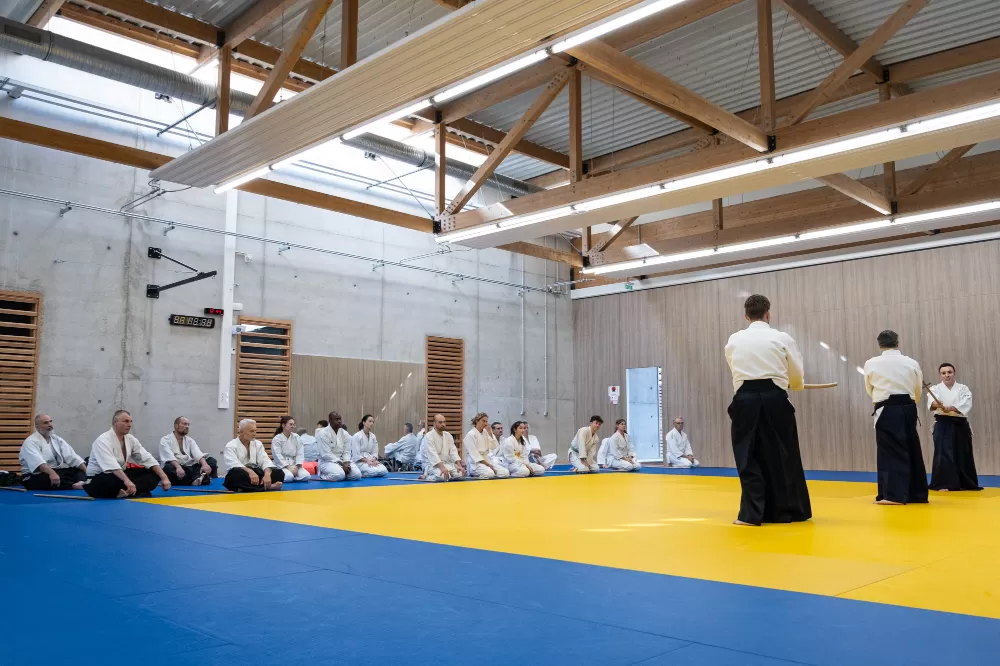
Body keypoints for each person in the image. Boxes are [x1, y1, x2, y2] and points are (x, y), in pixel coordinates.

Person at [725, 294, 811, 526]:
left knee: (748, 454)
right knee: (784, 453)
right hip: (775, 398)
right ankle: (787, 511)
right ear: (767, 314)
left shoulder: (734, 340)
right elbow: (796, 372)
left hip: (744, 399)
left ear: (746, 316)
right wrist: (796, 385)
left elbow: (734, 367)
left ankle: (751, 514)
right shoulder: (781, 338)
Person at [863, 330, 929, 505]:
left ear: (880, 345)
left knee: (891, 450)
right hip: (908, 407)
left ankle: (894, 495)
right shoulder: (911, 362)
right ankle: (917, 494)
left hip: (886, 408)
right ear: (897, 343)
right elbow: (917, 388)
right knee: (912, 446)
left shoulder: (871, 363)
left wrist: (878, 399)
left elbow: (869, 388)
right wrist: (911, 401)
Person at [85, 410, 171, 498]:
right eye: (126, 421)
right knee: (109, 480)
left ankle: (128, 491)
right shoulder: (103, 440)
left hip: (120, 476)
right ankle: (134, 490)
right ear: (115, 422)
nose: (129, 425)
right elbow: (111, 466)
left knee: (154, 472)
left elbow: (146, 458)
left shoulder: (130, 439)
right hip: (98, 478)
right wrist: (127, 481)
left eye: (130, 421)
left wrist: (164, 477)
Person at [927, 363, 981, 491]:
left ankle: (965, 482)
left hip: (960, 424)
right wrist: (937, 404)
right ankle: (943, 484)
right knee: (943, 453)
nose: (947, 375)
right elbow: (932, 403)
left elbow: (966, 403)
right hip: (943, 424)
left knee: (963, 451)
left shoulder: (963, 388)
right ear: (940, 375)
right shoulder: (935, 389)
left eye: (949, 372)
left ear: (954, 373)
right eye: (943, 373)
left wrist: (952, 408)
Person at [20, 414, 87, 490]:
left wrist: (89, 473)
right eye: (45, 423)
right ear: (37, 426)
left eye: (50, 422)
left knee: (80, 469)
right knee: (45, 479)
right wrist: (52, 473)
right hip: (34, 474)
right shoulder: (31, 441)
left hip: (55, 471)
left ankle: (79, 482)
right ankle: (73, 485)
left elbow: (72, 457)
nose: (50, 425)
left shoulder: (56, 439)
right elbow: (39, 464)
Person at [223, 419, 283, 492]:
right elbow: (233, 464)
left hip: (256, 474)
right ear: (241, 432)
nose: (254, 434)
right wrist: (250, 472)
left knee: (279, 473)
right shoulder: (231, 445)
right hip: (242, 473)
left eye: (255, 431)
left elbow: (265, 460)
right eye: (251, 431)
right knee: (235, 474)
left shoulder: (258, 444)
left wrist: (267, 475)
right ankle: (267, 487)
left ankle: (246, 488)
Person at [158, 416, 216, 487]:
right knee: (168, 468)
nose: (187, 426)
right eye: (184, 424)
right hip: (176, 467)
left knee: (211, 461)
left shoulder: (189, 440)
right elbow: (169, 457)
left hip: (189, 468)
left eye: (188, 424)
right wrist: (178, 467)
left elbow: (197, 453)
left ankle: (195, 479)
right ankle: (200, 478)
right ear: (176, 426)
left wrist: (204, 465)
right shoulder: (165, 440)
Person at [316, 412, 360, 481]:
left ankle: (341, 474)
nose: (339, 421)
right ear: (330, 421)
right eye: (336, 419)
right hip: (327, 462)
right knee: (340, 475)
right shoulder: (323, 434)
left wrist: (346, 463)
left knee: (357, 475)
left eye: (340, 419)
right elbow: (326, 454)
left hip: (343, 461)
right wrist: (342, 464)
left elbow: (347, 451)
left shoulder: (345, 433)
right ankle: (323, 475)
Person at [464, 412, 510, 479]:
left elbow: (493, 446)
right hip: (476, 463)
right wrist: (488, 465)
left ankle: (489, 477)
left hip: (487, 459)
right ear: (477, 421)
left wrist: (490, 433)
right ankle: (473, 478)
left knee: (505, 472)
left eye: (486, 421)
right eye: (483, 421)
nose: (485, 423)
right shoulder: (471, 435)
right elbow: (475, 455)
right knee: (490, 473)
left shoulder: (485, 432)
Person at [421, 414, 465, 482]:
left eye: (444, 422)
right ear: (434, 423)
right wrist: (442, 468)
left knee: (461, 474)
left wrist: (459, 465)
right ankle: (427, 476)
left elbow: (453, 451)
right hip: (433, 465)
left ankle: (448, 474)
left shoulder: (448, 435)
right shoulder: (428, 436)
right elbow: (433, 455)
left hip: (447, 464)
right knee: (443, 477)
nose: (443, 424)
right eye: (440, 422)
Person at [271, 416, 311, 482]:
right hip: (281, 465)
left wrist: (297, 466)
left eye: (293, 425)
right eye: (290, 424)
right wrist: (288, 467)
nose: (292, 426)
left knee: (306, 476)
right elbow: (277, 455)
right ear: (283, 425)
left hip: (294, 464)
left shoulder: (296, 437)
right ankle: (290, 476)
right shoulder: (277, 439)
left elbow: (300, 452)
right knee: (289, 477)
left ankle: (294, 476)